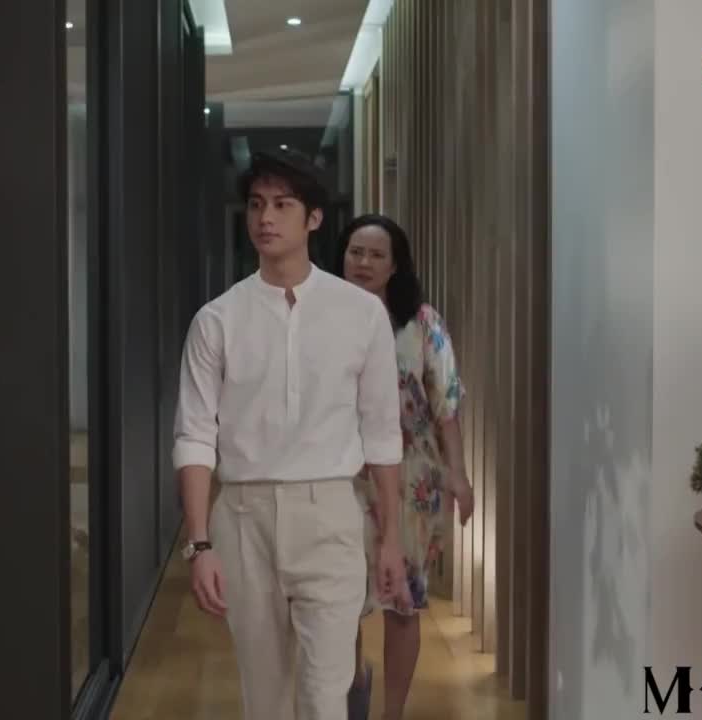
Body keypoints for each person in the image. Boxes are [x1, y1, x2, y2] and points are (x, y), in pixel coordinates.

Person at [172, 149, 411, 720]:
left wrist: (391, 538)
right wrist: (199, 544)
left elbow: (382, 434)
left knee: (326, 695)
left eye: (282, 205)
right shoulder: (217, 320)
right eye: (257, 205)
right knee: (266, 699)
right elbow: (194, 436)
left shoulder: (361, 315)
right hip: (243, 519)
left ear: (314, 218)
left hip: (330, 514)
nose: (266, 218)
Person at [337, 214, 475, 720]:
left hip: (413, 479)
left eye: (376, 255)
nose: (364, 262)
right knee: (340, 598)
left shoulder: (421, 323)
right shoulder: (321, 314)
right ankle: (352, 687)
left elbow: (446, 405)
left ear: (395, 265)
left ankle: (391, 713)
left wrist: (458, 474)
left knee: (403, 601)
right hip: (341, 474)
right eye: (356, 252)